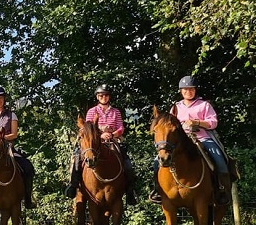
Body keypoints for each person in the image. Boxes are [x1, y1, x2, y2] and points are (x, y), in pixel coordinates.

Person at [149, 76, 231, 205]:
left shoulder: (204, 105)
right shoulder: (175, 107)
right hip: (181, 141)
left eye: (191, 89)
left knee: (219, 160)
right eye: (185, 90)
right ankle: (157, 190)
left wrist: (197, 122)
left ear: (195, 90)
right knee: (156, 162)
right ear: (181, 91)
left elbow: (213, 122)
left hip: (202, 138)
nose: (188, 92)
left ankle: (222, 190)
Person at [64, 84, 137, 205]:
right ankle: (73, 185)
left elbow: (120, 127)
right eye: (101, 95)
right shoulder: (92, 111)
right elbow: (88, 129)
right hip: (95, 141)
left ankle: (130, 191)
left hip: (113, 140)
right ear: (97, 97)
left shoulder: (116, 112)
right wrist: (100, 135)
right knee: (77, 158)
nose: (104, 97)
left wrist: (112, 135)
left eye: (106, 95)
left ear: (109, 97)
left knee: (127, 162)